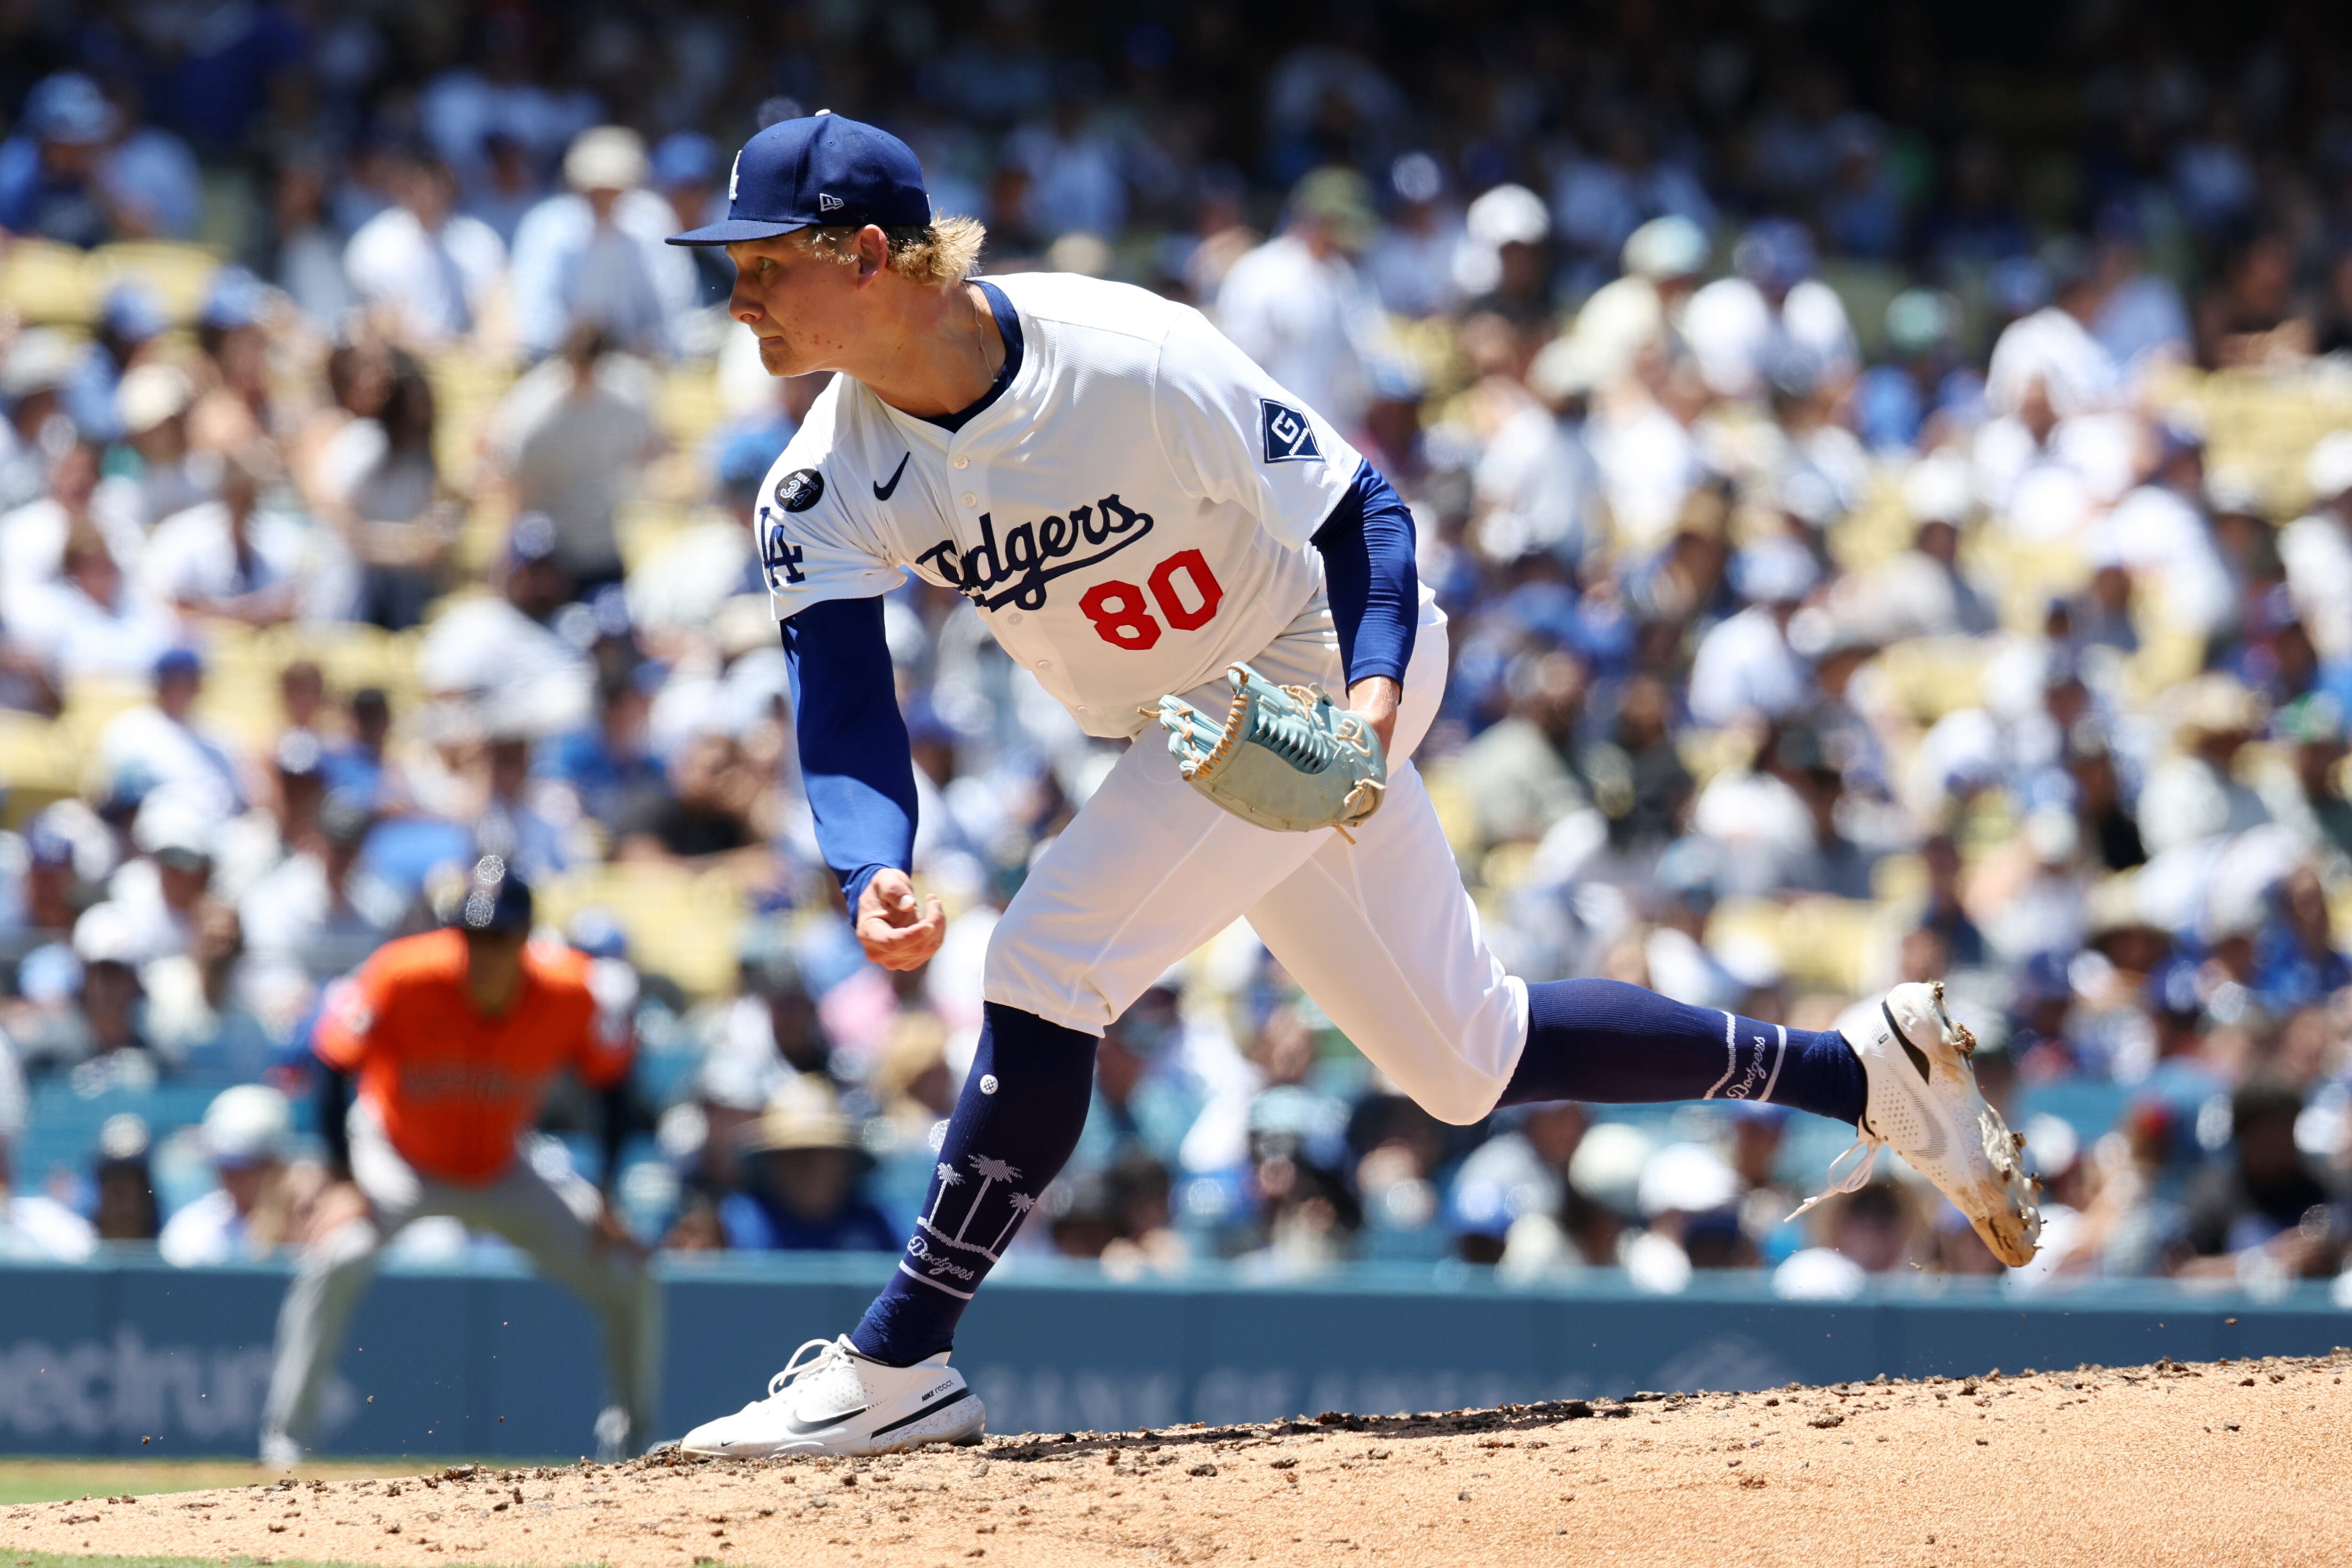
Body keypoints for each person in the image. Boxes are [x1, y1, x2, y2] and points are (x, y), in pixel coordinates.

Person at [663, 113, 2040, 1460]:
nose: (739, 299)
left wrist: (1372, 697)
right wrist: (871, 858)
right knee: (1461, 1059)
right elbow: (843, 699)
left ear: (863, 255)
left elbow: (1360, 511)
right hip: (1190, 721)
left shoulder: (1127, 353)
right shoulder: (819, 484)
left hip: (1320, 658)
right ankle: (1857, 1070)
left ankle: (899, 1358)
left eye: (762, 262)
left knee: (1046, 955)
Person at [257, 856, 658, 1465]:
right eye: (471, 935)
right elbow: (332, 1064)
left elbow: (616, 1085)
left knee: (629, 1275)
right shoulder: (402, 972)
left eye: (497, 937)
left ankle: (631, 1450)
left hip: (504, 1163)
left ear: (525, 938)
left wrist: (606, 1192)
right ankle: (283, 1445)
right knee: (338, 1254)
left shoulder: (572, 990)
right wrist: (341, 1178)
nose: (482, 951)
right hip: (398, 1156)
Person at [159, 1084, 302, 1265]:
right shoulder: (191, 1229)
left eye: (246, 1169)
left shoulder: (311, 1226)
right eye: (225, 1168)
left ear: (276, 1166)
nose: (232, 1180)